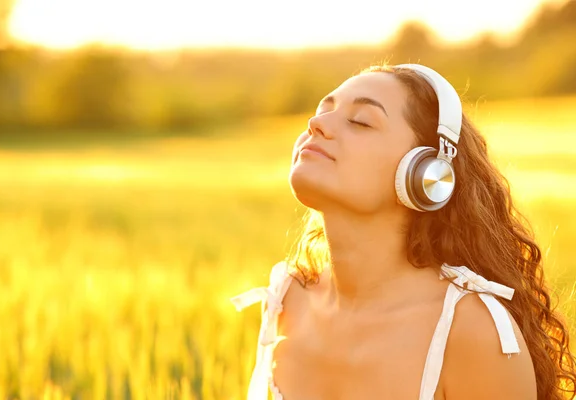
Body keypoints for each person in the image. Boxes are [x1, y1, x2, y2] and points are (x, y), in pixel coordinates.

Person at [231, 63, 576, 400]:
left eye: (360, 121)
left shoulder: (471, 332)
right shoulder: (288, 299)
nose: (316, 123)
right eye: (323, 110)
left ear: (427, 175)